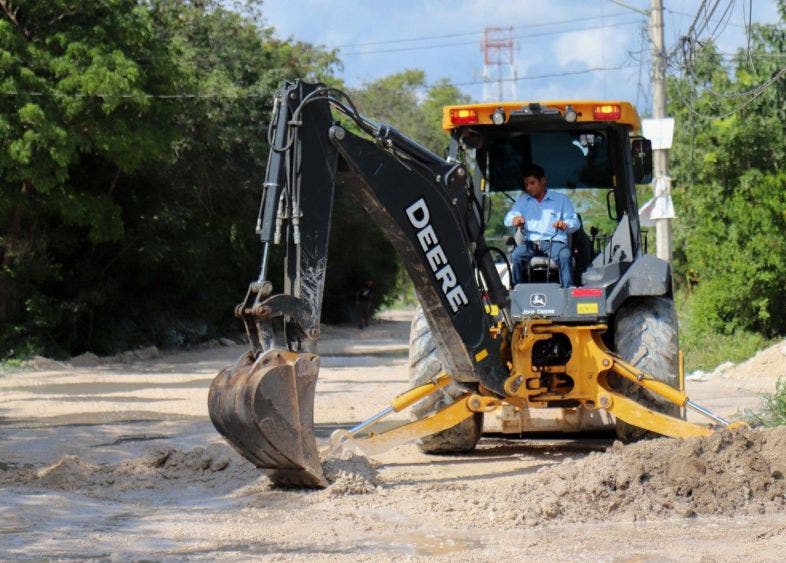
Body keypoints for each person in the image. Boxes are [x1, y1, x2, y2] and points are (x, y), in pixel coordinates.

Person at [504, 164, 580, 288]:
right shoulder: (523, 201)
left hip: (554, 243)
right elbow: (507, 219)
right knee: (516, 255)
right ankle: (518, 290)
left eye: (532, 183)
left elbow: (575, 223)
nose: (528, 187)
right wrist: (515, 219)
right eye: (526, 184)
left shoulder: (561, 200)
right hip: (530, 243)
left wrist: (565, 224)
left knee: (564, 255)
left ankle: (568, 291)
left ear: (543, 181)